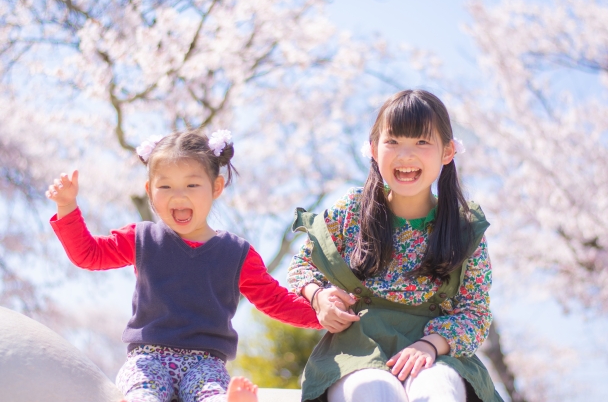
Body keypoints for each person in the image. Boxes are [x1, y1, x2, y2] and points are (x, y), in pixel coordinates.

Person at [46, 130, 322, 402]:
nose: (178, 196)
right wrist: (67, 206)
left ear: (216, 187)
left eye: (191, 185)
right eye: (165, 186)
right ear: (149, 191)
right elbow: (89, 254)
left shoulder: (236, 253)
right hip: (147, 356)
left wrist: (323, 313)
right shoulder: (142, 239)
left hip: (206, 362)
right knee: (143, 389)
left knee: (210, 392)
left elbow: (275, 301)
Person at [287, 90, 503, 402]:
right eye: (393, 142)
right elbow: (303, 265)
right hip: (356, 351)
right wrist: (318, 296)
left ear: (448, 151)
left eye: (421, 142)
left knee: (437, 390)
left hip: (437, 354)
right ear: (374, 149)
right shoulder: (352, 210)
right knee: (376, 391)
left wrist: (430, 345)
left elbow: (475, 313)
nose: (405, 155)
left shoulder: (464, 228)